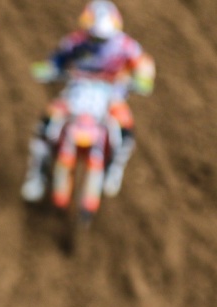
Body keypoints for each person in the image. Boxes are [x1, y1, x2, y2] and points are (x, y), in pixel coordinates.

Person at [21, 0, 155, 202]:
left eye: (102, 38)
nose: (97, 41)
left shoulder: (126, 45)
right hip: (77, 93)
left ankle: (114, 168)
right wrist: (49, 69)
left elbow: (144, 63)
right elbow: (56, 60)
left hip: (111, 97)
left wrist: (143, 79)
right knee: (46, 124)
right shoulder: (75, 41)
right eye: (94, 36)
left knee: (125, 128)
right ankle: (37, 175)